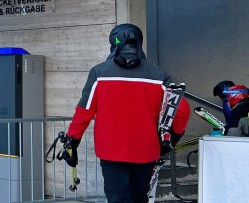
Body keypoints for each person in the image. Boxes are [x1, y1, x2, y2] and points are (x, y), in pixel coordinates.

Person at [60, 24, 190, 203]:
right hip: (146, 150)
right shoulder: (159, 74)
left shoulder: (99, 73)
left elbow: (84, 112)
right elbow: (181, 109)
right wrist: (170, 141)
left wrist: (71, 142)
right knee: (140, 198)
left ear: (113, 42)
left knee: (118, 199)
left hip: (110, 151)